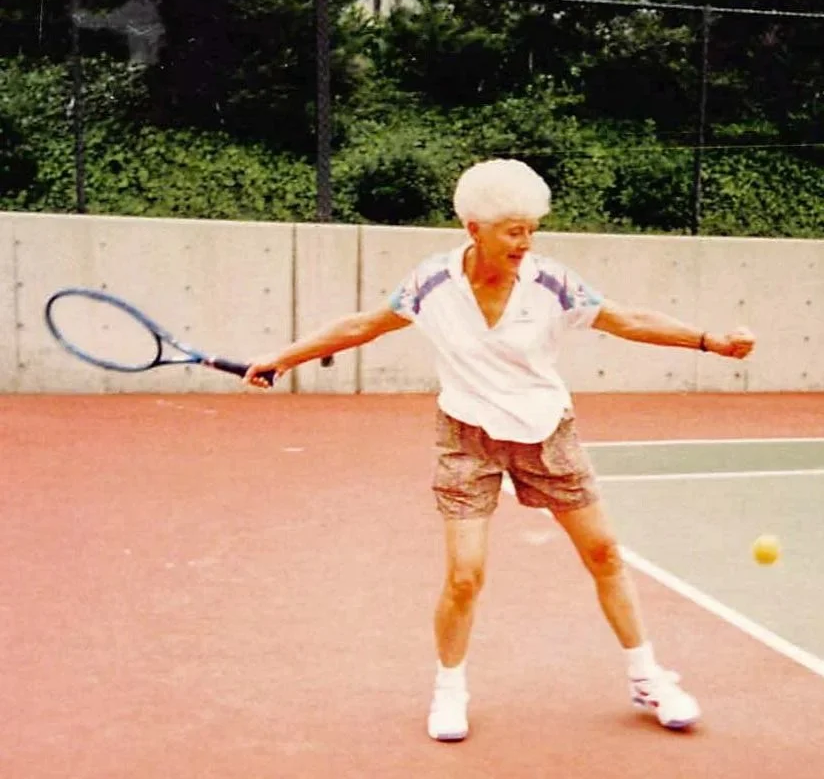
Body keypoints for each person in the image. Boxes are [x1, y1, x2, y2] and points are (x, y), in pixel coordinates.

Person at [243, 158, 755, 742]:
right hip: (467, 438)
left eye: (532, 228)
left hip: (546, 430)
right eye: (514, 230)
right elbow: (364, 325)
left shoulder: (553, 282)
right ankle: (449, 691)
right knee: (465, 576)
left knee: (606, 555)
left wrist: (708, 341)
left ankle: (647, 677)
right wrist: (284, 358)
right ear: (473, 229)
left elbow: (628, 320)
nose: (526, 241)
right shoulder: (430, 284)